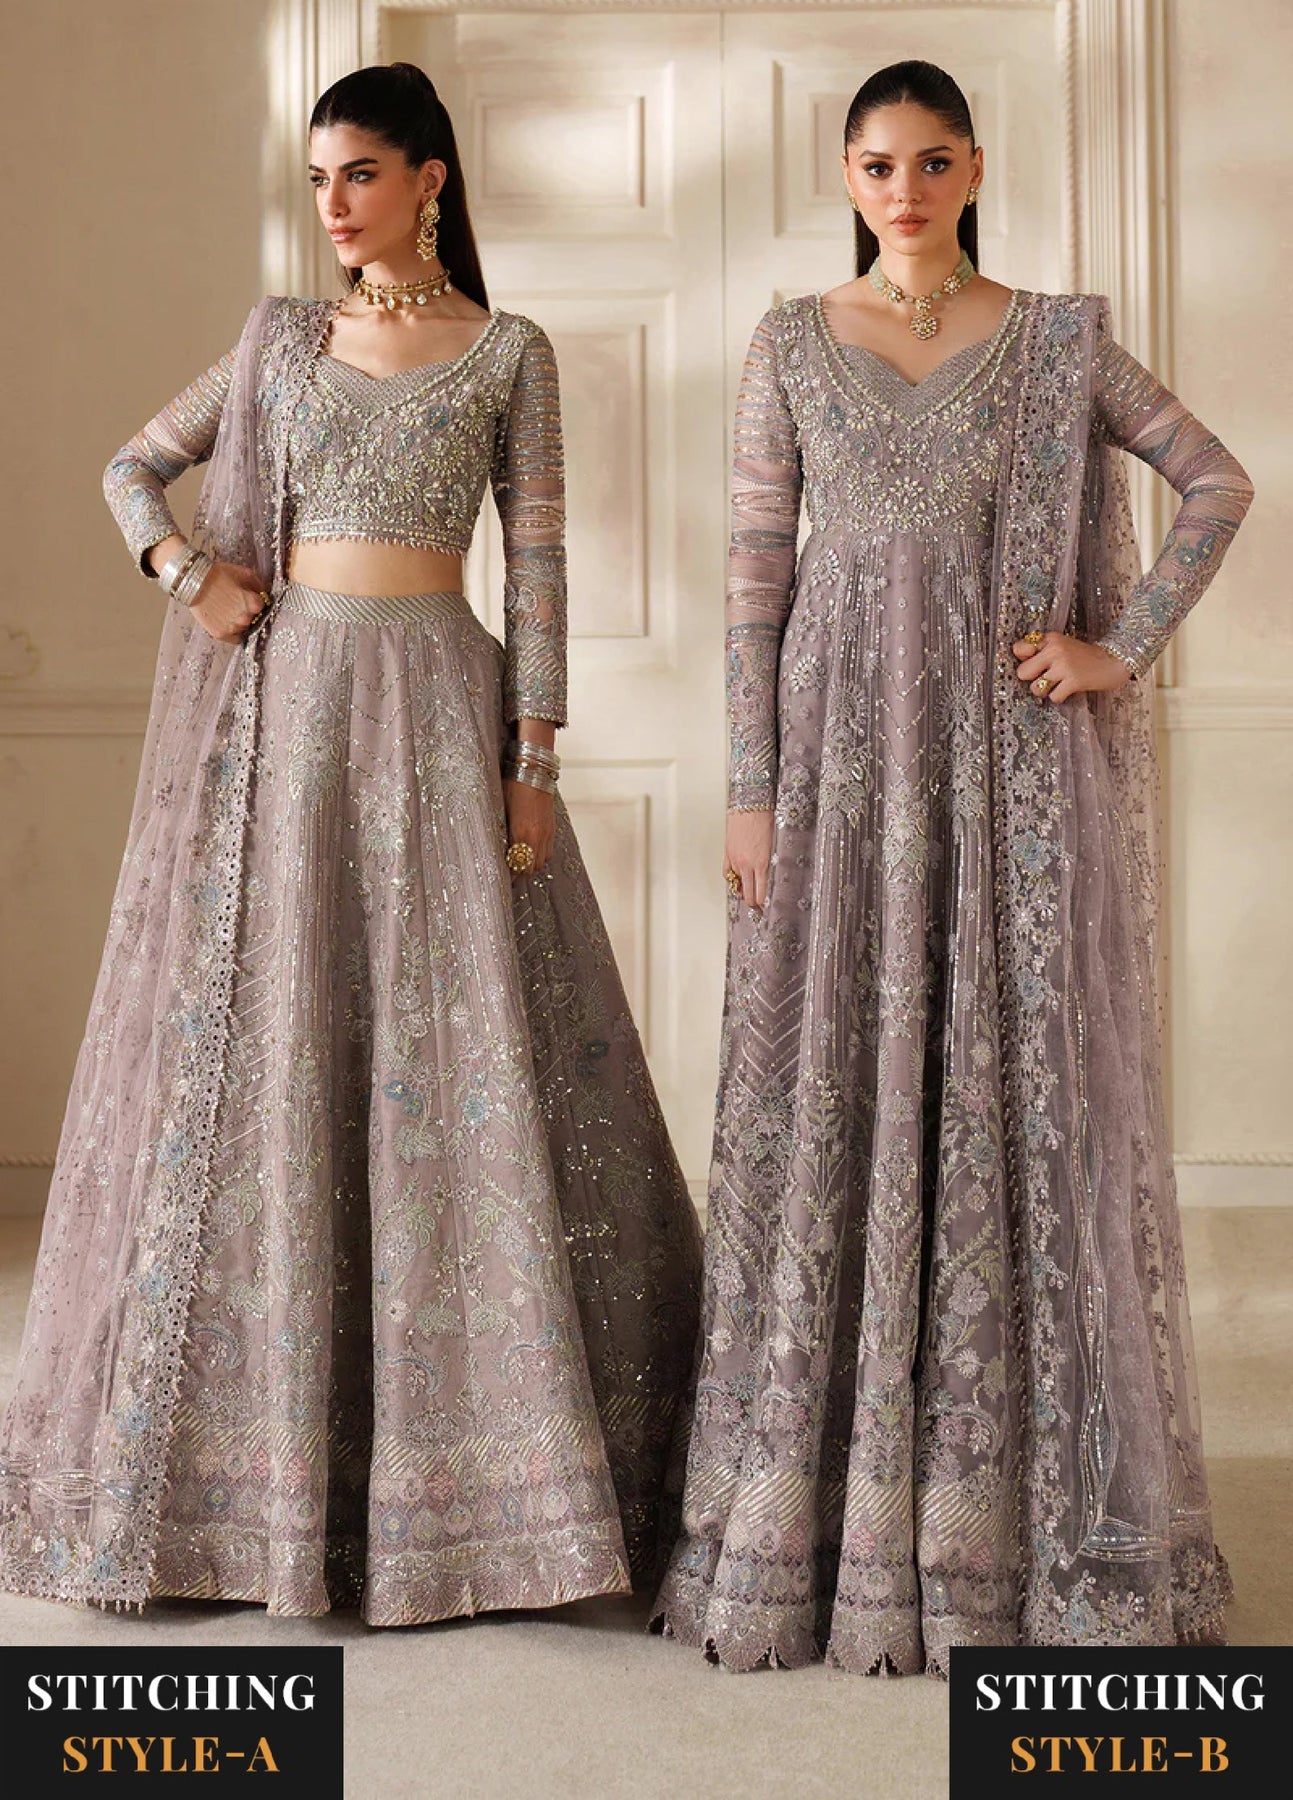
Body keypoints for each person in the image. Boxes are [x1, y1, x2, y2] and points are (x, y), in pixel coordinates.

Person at [0, 62, 700, 1627]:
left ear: (430, 178)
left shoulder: (506, 352)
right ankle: (260, 1483)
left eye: (361, 174)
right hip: (294, 722)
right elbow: (130, 467)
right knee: (282, 1054)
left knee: (461, 1061)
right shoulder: (277, 344)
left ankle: (495, 1485)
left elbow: (540, 568)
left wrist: (533, 761)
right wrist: (188, 572)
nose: (333, 204)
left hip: (444, 712)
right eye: (319, 177)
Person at [652, 59, 1252, 1675]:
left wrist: (1117, 645)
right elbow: (752, 584)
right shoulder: (790, 343)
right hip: (838, 776)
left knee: (1017, 1093)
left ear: (972, 168)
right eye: (875, 165)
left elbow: (1214, 481)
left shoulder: (1054, 342)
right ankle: (825, 1515)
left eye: (929, 162)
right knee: (831, 1088)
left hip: (1010, 782)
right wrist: (751, 792)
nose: (902, 191)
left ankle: (1009, 1524)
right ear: (845, 179)